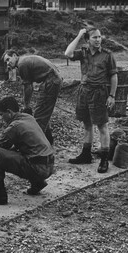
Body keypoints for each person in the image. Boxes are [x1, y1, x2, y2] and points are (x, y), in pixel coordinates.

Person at [65, 27, 117, 173]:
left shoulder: (107, 55)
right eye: (94, 37)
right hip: (84, 92)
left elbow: (114, 76)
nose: (98, 40)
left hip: (99, 92)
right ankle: (86, 154)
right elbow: (67, 53)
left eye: (99, 37)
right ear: (87, 40)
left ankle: (104, 159)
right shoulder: (83, 53)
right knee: (87, 124)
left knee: (102, 126)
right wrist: (79, 34)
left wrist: (112, 96)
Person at [2, 50, 62, 145]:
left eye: (8, 59)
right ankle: (49, 140)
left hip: (51, 81)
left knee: (39, 115)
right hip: (51, 79)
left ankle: (38, 145)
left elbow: (28, 87)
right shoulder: (24, 60)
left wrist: (26, 105)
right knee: (43, 111)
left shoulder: (22, 64)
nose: (8, 63)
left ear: (14, 55)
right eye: (6, 62)